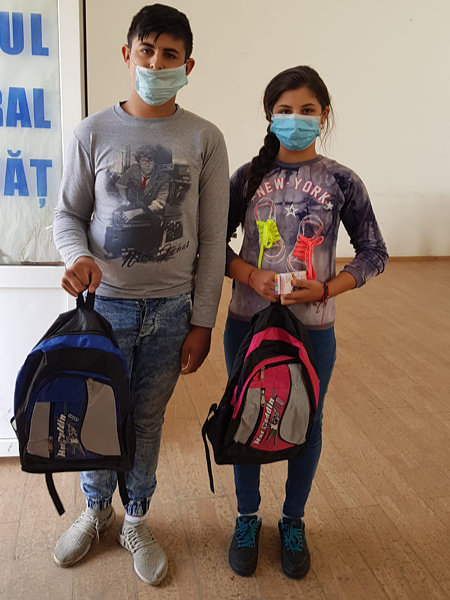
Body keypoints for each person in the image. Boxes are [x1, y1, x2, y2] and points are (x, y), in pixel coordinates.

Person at [52, 3, 229, 586]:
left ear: (188, 66)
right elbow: (68, 215)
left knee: (148, 419)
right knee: (97, 413)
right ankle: (94, 512)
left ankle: (135, 519)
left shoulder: (205, 138)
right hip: (104, 309)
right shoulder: (92, 132)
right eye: (147, 51)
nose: (156, 63)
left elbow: (211, 237)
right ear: (127, 55)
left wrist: (203, 320)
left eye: (170, 54)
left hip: (173, 311)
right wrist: (77, 258)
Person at [224, 65, 388, 579]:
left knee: (307, 420)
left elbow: (375, 252)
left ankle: (293, 520)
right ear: (269, 116)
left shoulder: (342, 181)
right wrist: (249, 275)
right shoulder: (246, 178)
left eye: (307, 110)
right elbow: (212, 249)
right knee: (246, 415)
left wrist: (328, 288)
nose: (296, 118)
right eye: (285, 110)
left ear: (324, 115)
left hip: (313, 329)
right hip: (247, 324)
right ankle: (247, 518)